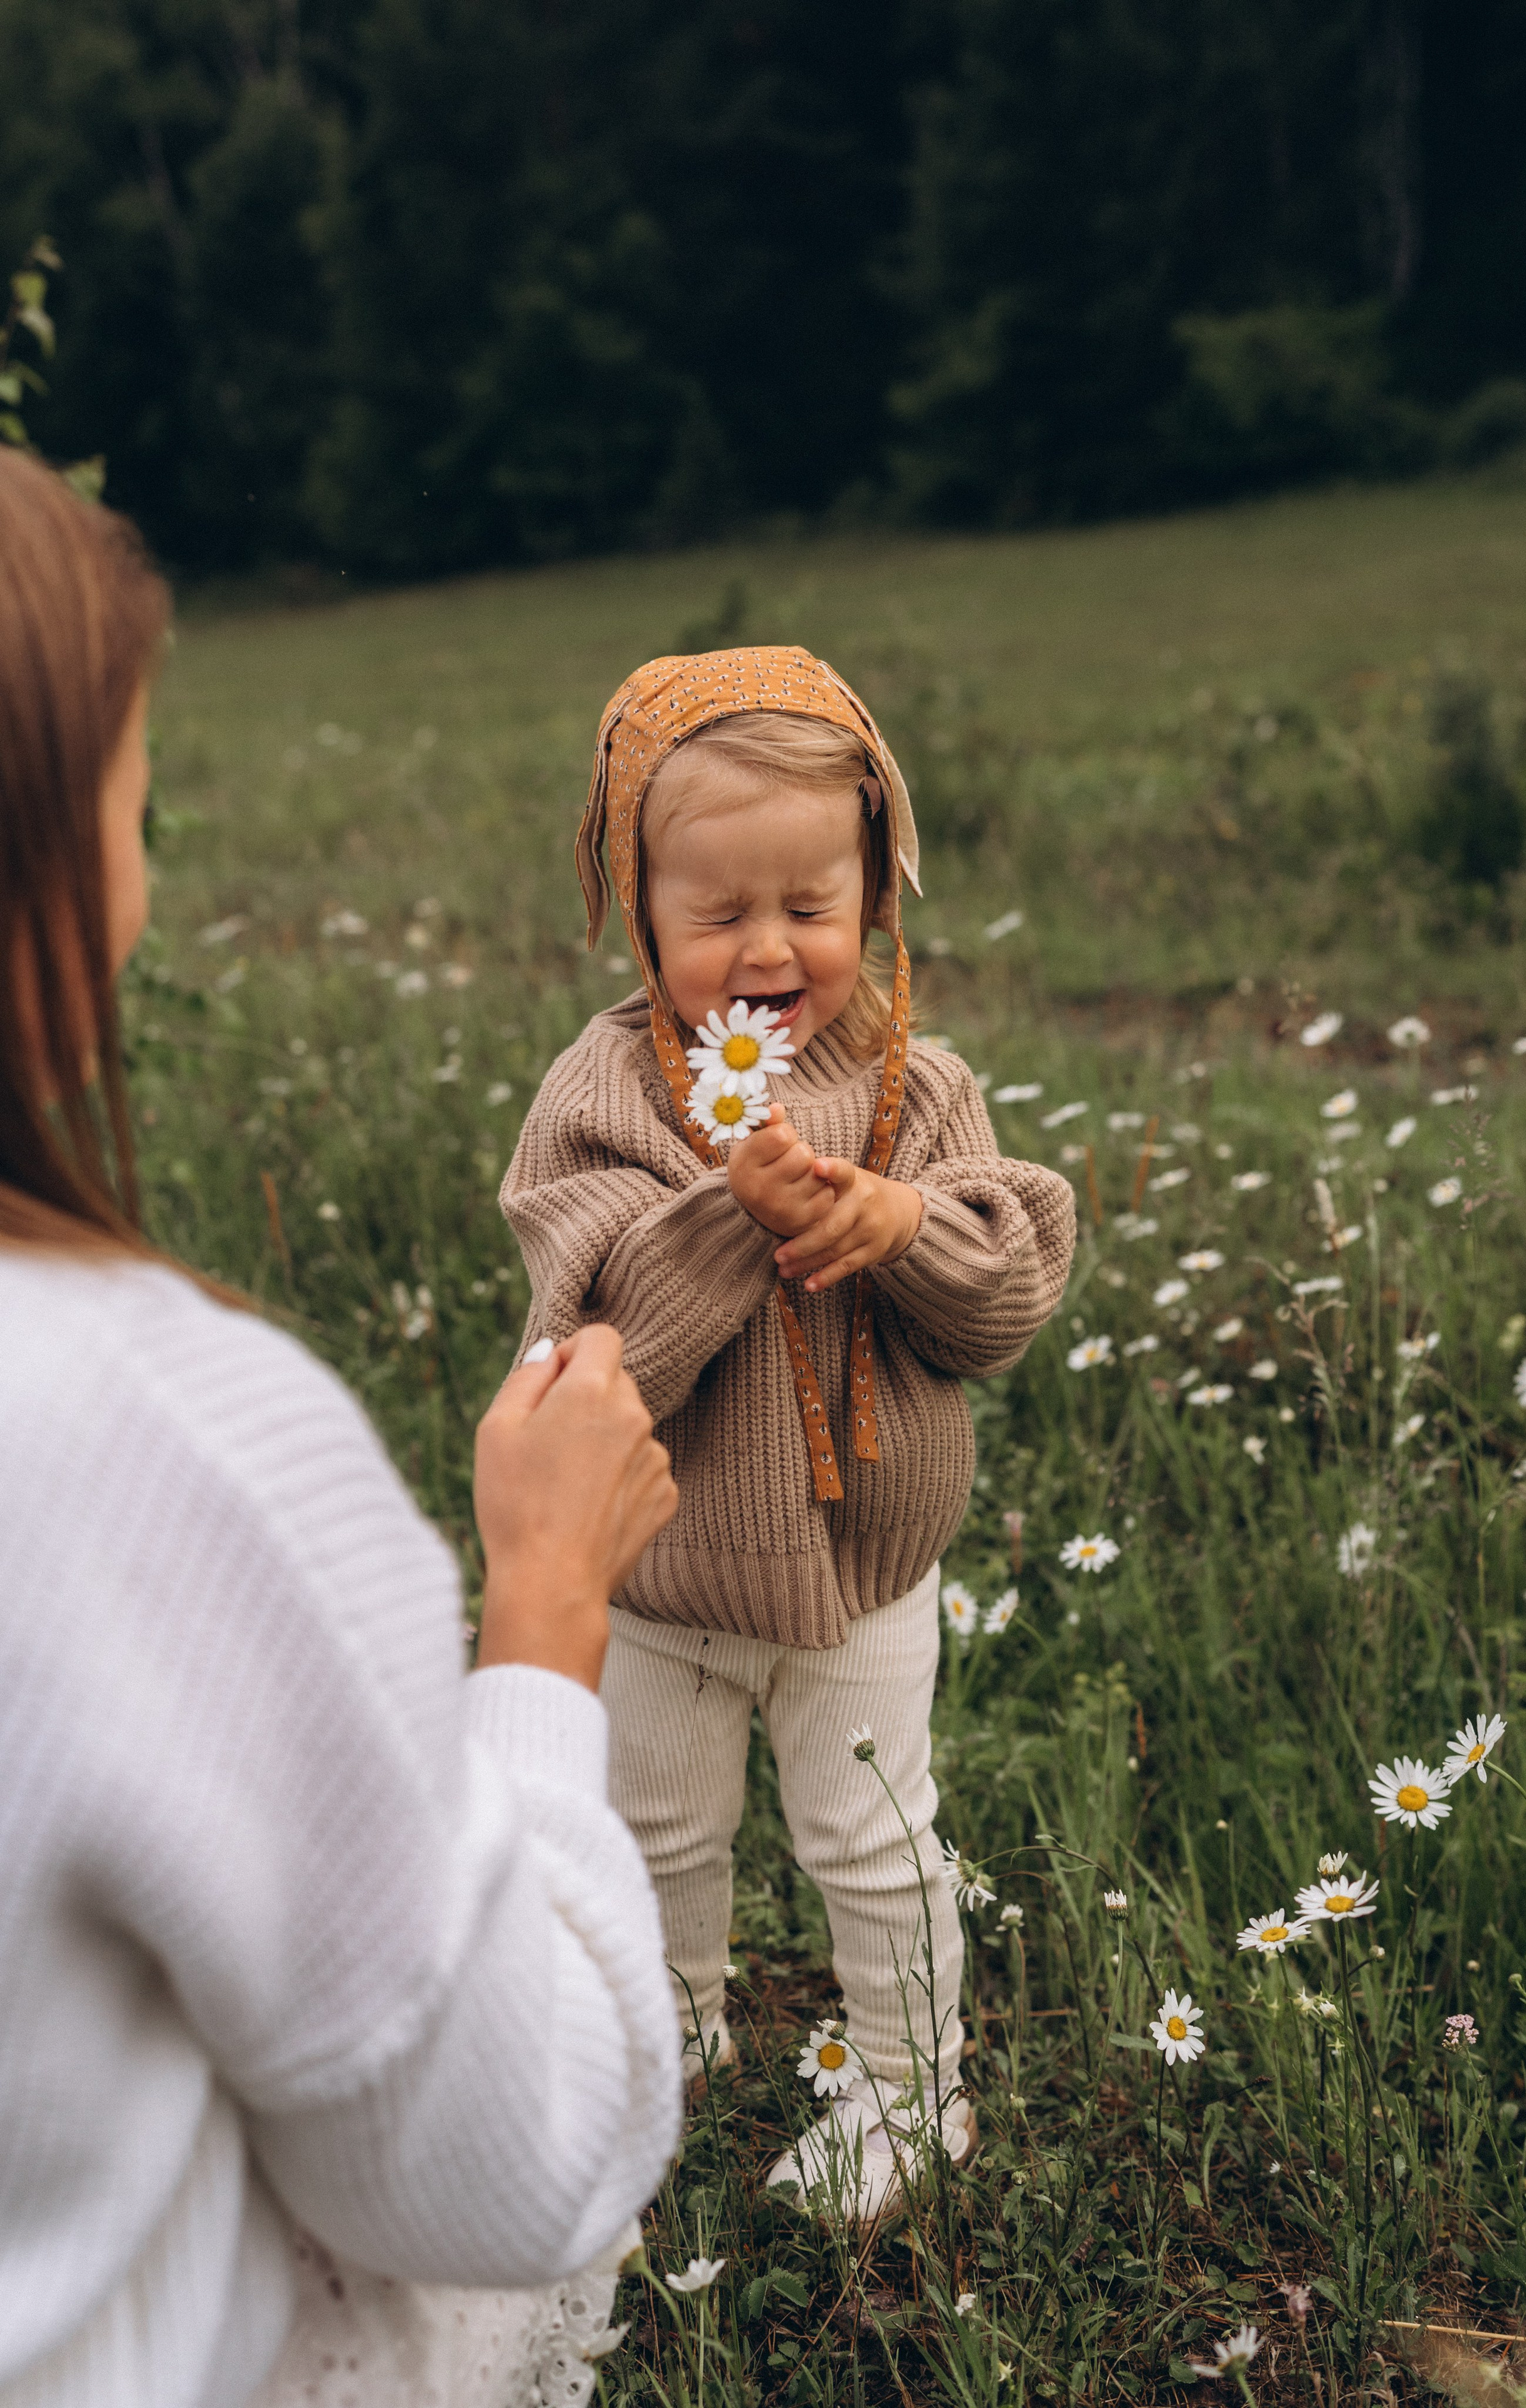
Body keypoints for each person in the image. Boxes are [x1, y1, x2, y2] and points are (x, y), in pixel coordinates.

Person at [0, 453, 682, 2407]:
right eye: (133, 803)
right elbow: (515, 2161)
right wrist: (543, 1614)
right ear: (50, 880)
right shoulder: (157, 1440)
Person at [499, 648, 1075, 2222]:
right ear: (636, 908)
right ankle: (664, 2040)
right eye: (717, 913)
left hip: (867, 1568)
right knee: (653, 1832)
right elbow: (588, 1343)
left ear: (875, 892)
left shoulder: (916, 1091)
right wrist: (722, 1224)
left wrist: (903, 1227)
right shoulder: (602, 1099)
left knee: (873, 1839)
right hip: (663, 1568)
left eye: (809, 905)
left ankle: (910, 2087)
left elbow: (997, 1311)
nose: (766, 950)